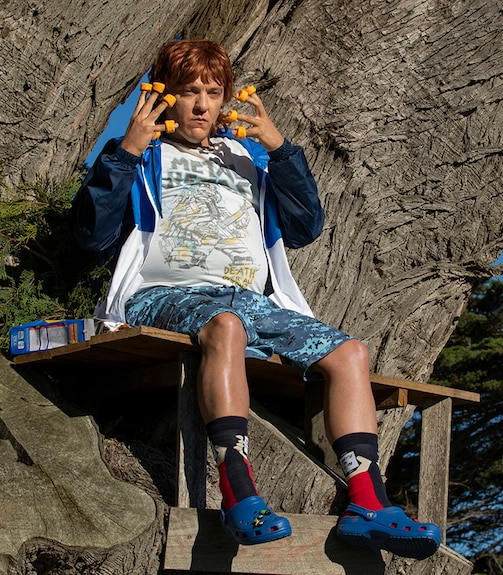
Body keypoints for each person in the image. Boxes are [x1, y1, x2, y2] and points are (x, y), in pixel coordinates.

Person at [69, 39, 441, 559]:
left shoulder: (243, 157)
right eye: (187, 91)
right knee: (224, 326)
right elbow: (90, 235)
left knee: (350, 352)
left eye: (213, 93)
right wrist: (128, 149)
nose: (201, 104)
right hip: (161, 296)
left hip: (249, 299)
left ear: (225, 101)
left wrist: (281, 150)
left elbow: (305, 225)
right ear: (161, 96)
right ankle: (238, 491)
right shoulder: (144, 154)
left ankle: (369, 504)